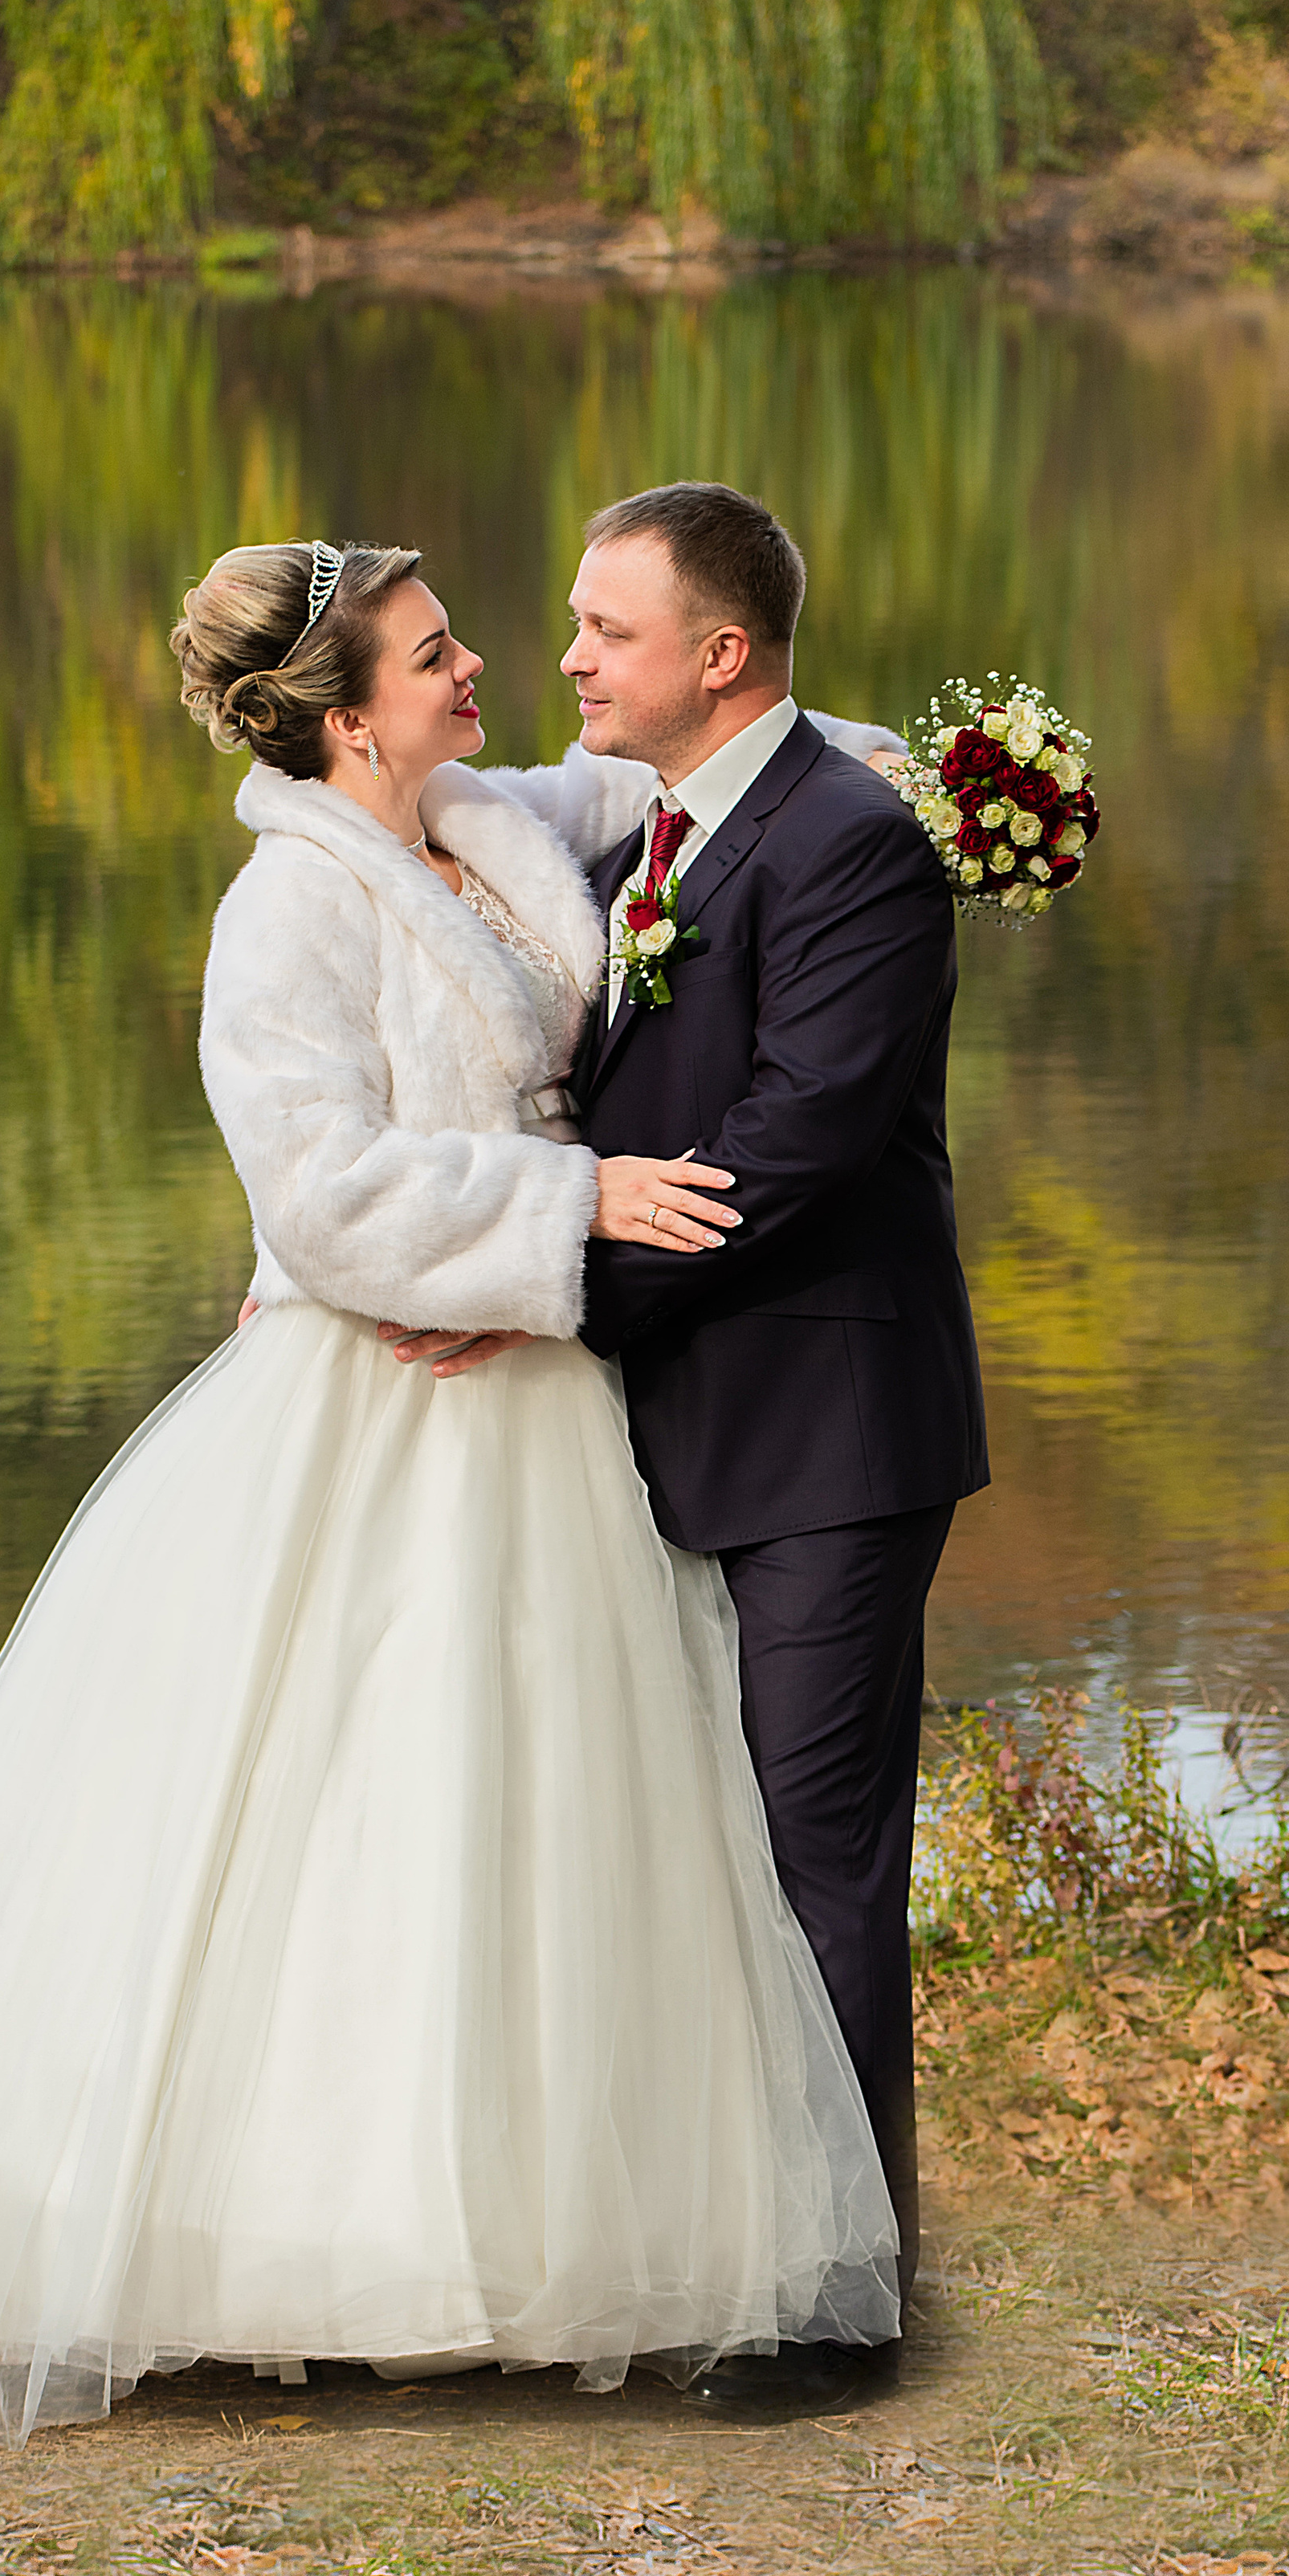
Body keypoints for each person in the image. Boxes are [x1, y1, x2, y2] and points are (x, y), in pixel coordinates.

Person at [0, 534, 900, 2460]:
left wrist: (957, 778)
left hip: (543, 1403)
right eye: (430, 652)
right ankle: (291, 2243)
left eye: (467, 638)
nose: (480, 665)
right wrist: (556, 1212)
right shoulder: (286, 913)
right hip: (392, 1395)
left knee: (540, 1810)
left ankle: (528, 2223)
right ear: (331, 720)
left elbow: (724, 767)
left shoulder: (484, 821)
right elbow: (317, 1191)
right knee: (352, 1795)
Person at [393, 484, 989, 2417]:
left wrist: (543, 1284)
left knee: (813, 1855)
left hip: (825, 1422)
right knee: (685, 1846)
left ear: (717, 658)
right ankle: (717, 2233)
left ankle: (832, 2303)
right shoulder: (659, 825)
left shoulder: (851, 848)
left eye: (604, 633)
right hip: (670, 1420)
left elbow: (790, 1151)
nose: (565, 659)